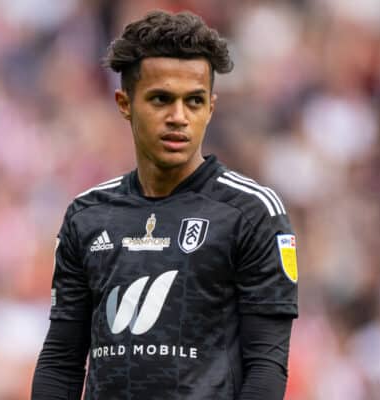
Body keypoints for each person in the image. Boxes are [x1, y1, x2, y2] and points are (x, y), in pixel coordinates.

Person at [31, 10, 298, 400]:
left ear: (211, 107)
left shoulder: (253, 212)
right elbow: (61, 359)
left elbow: (267, 365)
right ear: (124, 103)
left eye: (194, 101)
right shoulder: (87, 216)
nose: (179, 117)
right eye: (161, 99)